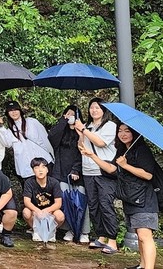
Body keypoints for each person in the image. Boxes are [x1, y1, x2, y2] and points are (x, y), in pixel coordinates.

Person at [81, 123, 158, 267]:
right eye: (120, 131)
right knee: (139, 235)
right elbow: (112, 169)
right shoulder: (123, 150)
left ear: (134, 133)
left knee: (144, 236)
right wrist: (92, 155)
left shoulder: (142, 150)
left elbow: (148, 175)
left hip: (144, 199)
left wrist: (125, 165)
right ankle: (142, 265)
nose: (123, 134)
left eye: (127, 131)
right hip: (130, 198)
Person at [75, 97, 118, 253]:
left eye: (97, 107)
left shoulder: (110, 126)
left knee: (106, 205)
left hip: (103, 171)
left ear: (104, 110)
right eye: (91, 107)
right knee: (93, 206)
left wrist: (84, 130)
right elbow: (81, 146)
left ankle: (112, 240)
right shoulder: (87, 126)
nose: (94, 110)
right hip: (88, 171)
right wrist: (81, 134)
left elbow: (100, 143)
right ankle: (101, 236)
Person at [48, 104, 90, 243]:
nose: (70, 116)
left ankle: (84, 231)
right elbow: (52, 138)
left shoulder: (83, 131)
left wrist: (76, 169)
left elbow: (83, 152)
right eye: (68, 113)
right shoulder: (62, 131)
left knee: (81, 201)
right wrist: (63, 121)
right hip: (61, 172)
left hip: (79, 172)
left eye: (73, 114)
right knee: (65, 201)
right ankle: (69, 229)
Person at [0, 101, 54, 182]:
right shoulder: (10, 130)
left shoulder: (32, 122)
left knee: (49, 187)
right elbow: (7, 143)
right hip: (26, 167)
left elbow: (45, 138)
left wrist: (52, 155)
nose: (14, 112)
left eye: (16, 109)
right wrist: (1, 126)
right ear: (8, 113)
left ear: (20, 110)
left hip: (43, 162)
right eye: (11, 110)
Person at [22, 157, 65, 242]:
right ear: (33, 170)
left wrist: (47, 210)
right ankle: (36, 230)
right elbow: (26, 201)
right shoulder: (29, 182)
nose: (40, 170)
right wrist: (37, 210)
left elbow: (58, 203)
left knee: (60, 216)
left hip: (51, 210)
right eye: (37, 167)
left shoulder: (54, 182)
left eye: (43, 167)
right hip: (35, 210)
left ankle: (51, 231)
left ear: (47, 170)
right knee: (26, 212)